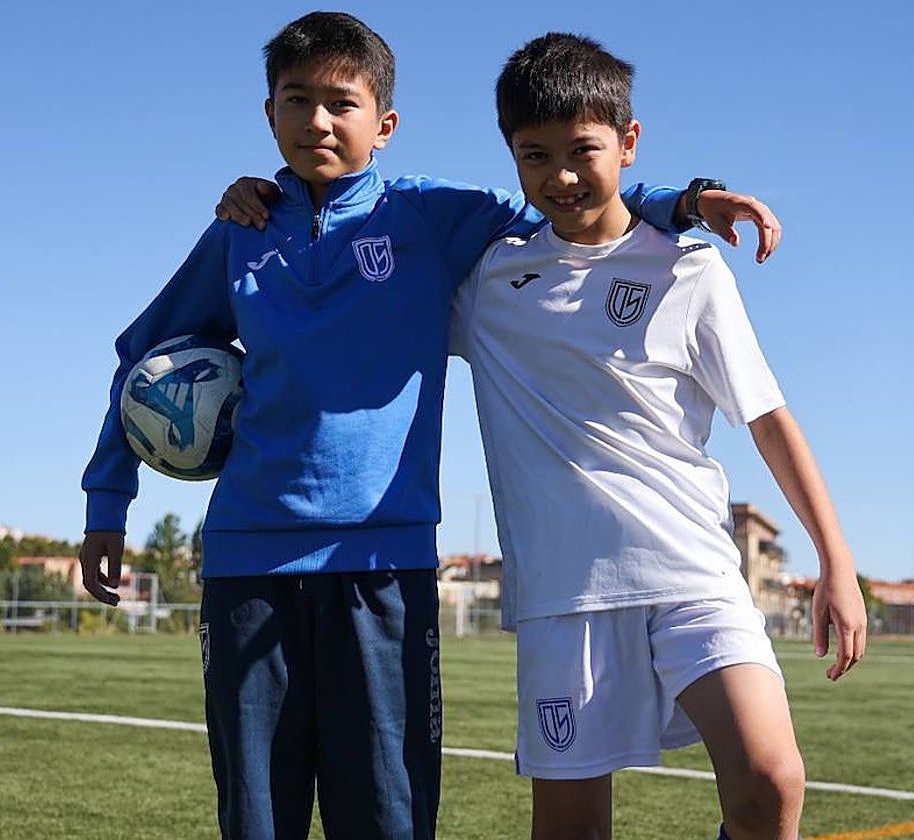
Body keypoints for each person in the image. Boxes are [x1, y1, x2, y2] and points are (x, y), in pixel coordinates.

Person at [81, 12, 780, 840]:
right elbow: (145, 356)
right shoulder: (239, 232)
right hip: (247, 562)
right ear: (267, 114)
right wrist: (107, 501)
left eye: (340, 103)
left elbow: (570, 196)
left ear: (385, 125)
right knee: (256, 816)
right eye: (295, 101)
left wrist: (683, 198)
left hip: (386, 564)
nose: (316, 121)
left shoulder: (430, 218)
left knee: (387, 815)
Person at [454, 33, 866, 840]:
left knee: (770, 780)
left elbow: (769, 419)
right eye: (534, 156)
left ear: (629, 144)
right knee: (571, 829)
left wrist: (837, 562)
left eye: (584, 150)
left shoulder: (690, 269)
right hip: (563, 597)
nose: (561, 176)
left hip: (693, 572)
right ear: (510, 155)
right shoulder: (487, 283)